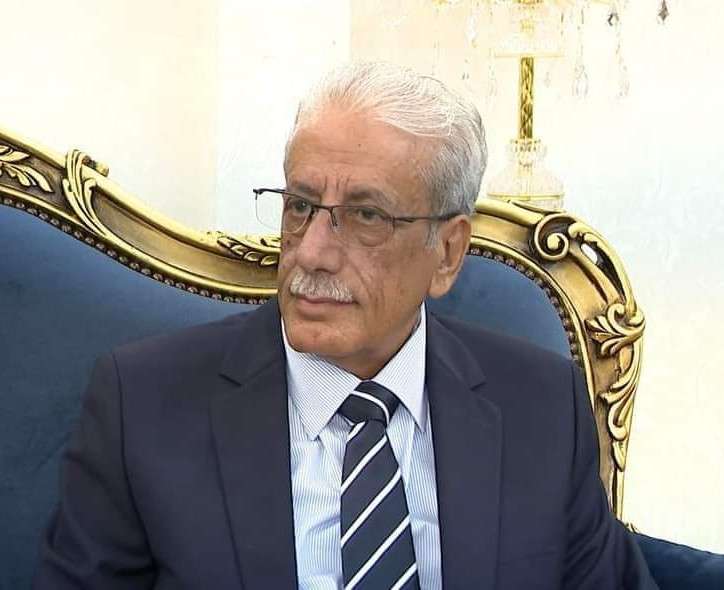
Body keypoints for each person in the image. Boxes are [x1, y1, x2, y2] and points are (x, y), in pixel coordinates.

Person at [34, 62, 658, 589]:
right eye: (300, 206)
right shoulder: (144, 404)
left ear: (447, 253)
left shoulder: (539, 405)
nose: (311, 252)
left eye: (366, 216)